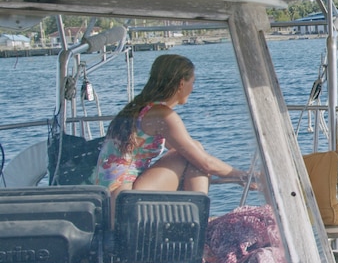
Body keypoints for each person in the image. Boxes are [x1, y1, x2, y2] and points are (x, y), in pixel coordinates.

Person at [94, 54, 251, 214]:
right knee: (195, 152)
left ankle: (195, 218)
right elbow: (205, 163)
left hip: (113, 200)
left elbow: (184, 152)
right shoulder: (163, 115)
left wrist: (233, 177)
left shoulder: (140, 108)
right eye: (193, 82)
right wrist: (243, 176)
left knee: (191, 155)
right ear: (181, 83)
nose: (193, 88)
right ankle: (197, 220)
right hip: (127, 202)